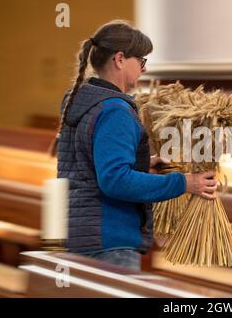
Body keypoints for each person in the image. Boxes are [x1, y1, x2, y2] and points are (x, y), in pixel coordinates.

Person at [52, 20, 217, 272]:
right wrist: (186, 182)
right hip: (110, 242)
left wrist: (142, 164)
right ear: (120, 59)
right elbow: (115, 180)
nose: (143, 69)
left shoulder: (83, 102)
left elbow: (87, 165)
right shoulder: (114, 110)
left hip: (79, 232)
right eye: (141, 61)